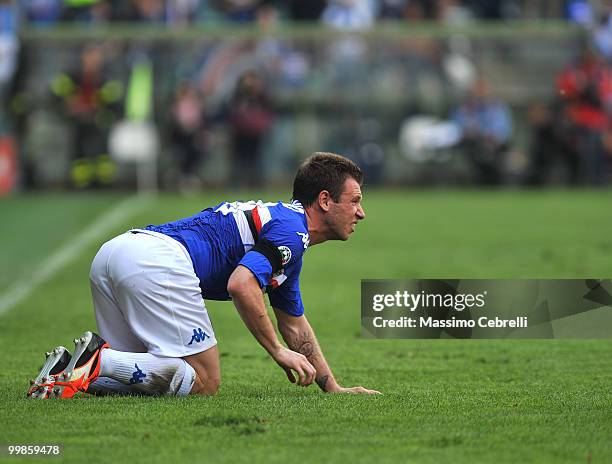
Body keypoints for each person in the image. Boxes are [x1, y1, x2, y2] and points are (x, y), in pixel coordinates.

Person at [27, 152, 380, 399]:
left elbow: (295, 325)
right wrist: (277, 352)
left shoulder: (287, 236)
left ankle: (69, 371)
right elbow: (241, 285)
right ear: (324, 200)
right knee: (205, 380)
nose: (361, 213)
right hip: (156, 262)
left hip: (117, 252)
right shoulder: (292, 232)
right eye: (355, 200)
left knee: (136, 380)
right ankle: (97, 359)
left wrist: (331, 386)